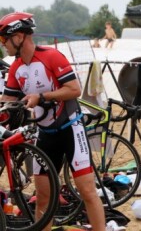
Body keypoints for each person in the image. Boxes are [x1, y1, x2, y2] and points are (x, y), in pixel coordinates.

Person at [0, 12, 106, 231]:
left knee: (87, 191)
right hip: (45, 134)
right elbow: (7, 102)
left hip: (70, 129)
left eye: (3, 39)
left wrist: (42, 97)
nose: (2, 45)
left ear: (19, 37)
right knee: (43, 198)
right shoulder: (15, 68)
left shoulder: (51, 57)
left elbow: (74, 90)